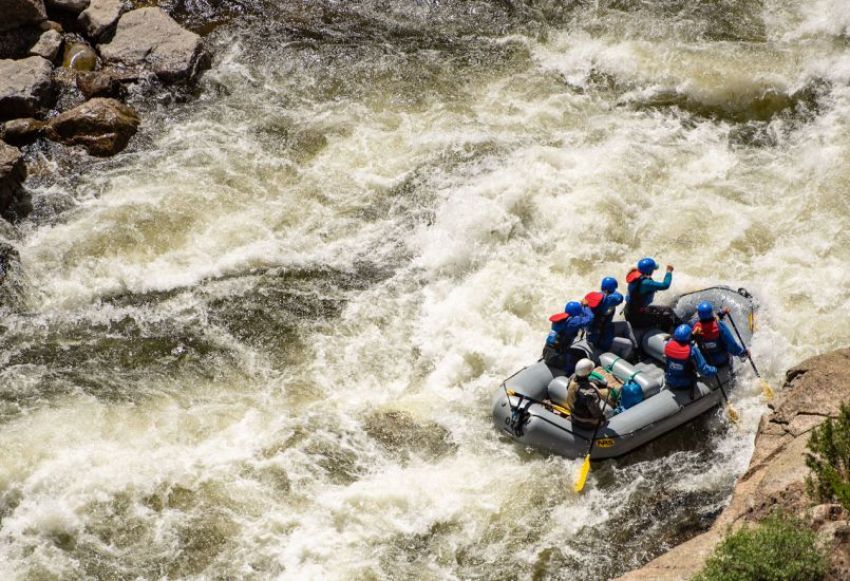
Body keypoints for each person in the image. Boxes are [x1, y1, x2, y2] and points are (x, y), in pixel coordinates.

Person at [585, 276, 636, 360]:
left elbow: (618, 297)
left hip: (606, 328)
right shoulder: (607, 301)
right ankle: (623, 360)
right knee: (628, 344)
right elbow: (619, 298)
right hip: (600, 338)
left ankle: (635, 348)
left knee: (625, 324)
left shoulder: (597, 298)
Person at [624, 257, 679, 332]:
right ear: (649, 271)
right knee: (668, 317)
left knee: (667, 309)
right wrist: (669, 272)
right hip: (636, 317)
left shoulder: (636, 276)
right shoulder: (645, 283)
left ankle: (679, 326)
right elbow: (665, 285)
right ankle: (666, 335)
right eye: (653, 269)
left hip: (632, 311)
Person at [542, 300, 594, 375]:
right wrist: (585, 307)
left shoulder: (563, 320)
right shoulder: (572, 323)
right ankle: (570, 377)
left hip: (549, 352)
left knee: (582, 354)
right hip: (556, 357)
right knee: (574, 367)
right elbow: (590, 318)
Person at [691, 301, 748, 369]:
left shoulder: (695, 328)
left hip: (708, 361)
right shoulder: (719, 326)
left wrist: (721, 314)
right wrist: (742, 353)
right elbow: (731, 344)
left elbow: (705, 323)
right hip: (724, 359)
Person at [664, 324, 717, 391]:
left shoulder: (668, 345)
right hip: (686, 383)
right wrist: (714, 370)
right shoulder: (692, 350)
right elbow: (703, 370)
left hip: (670, 380)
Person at [566, 358, 616, 429]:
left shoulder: (572, 378)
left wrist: (604, 384)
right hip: (585, 422)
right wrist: (603, 418)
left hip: (574, 413)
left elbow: (587, 381)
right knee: (610, 411)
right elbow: (596, 413)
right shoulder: (590, 395)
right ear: (588, 373)